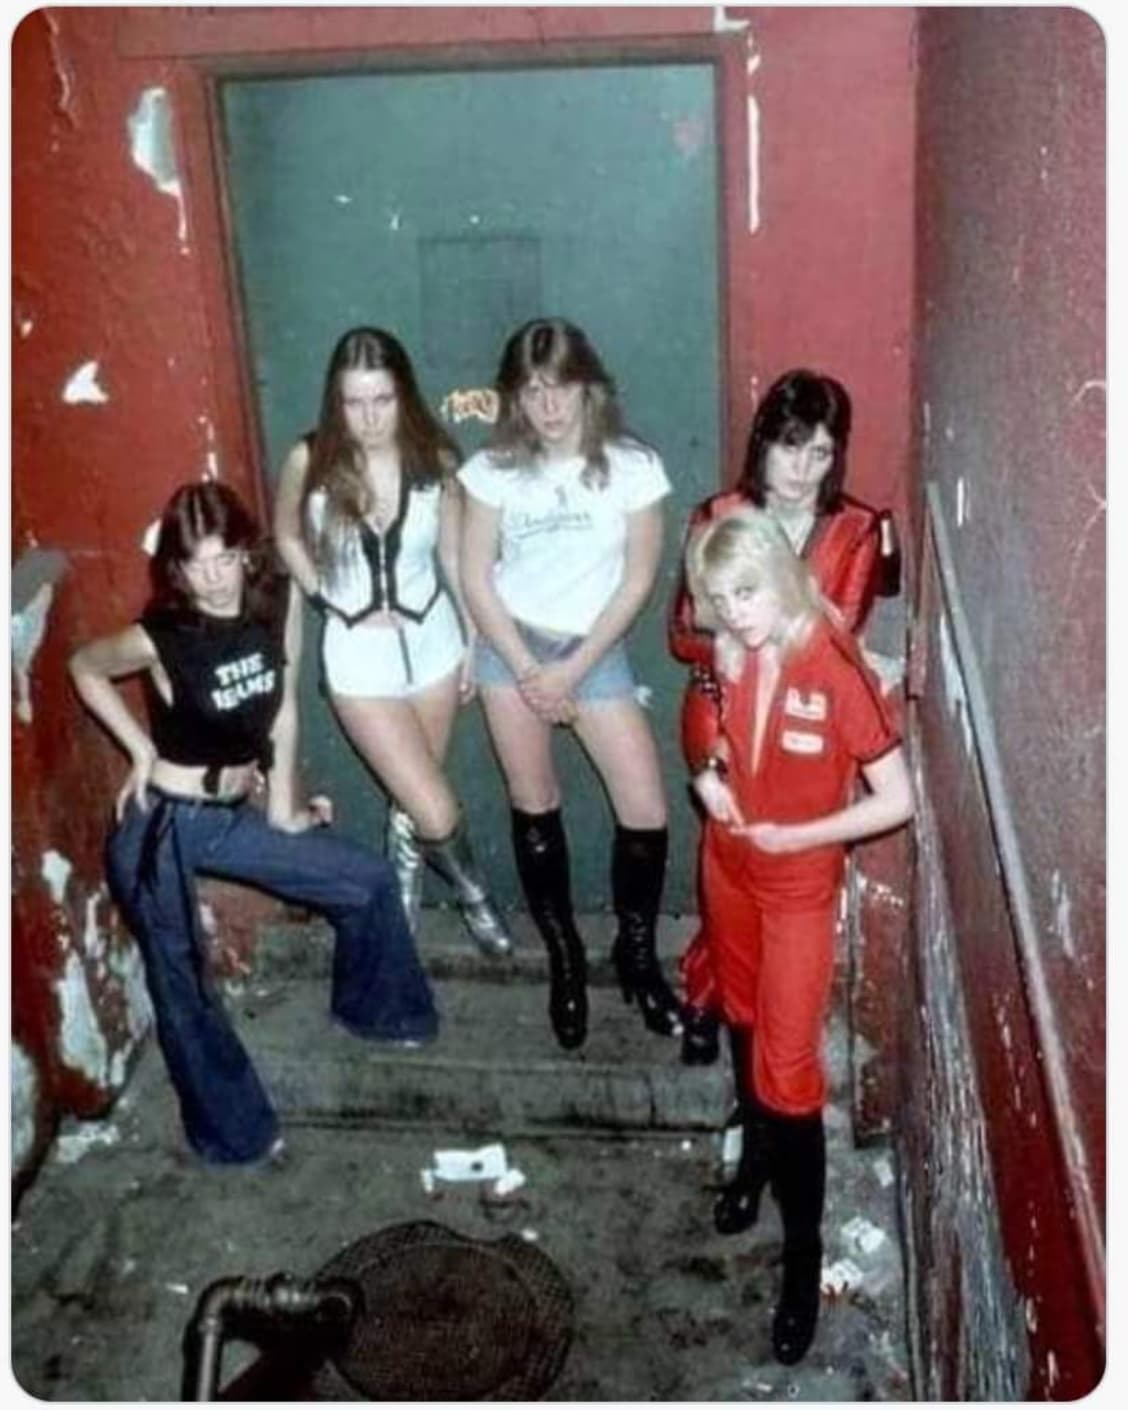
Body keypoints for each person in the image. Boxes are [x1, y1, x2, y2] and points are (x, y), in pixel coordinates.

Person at [69, 482, 438, 1167]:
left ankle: (374, 1010)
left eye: (223, 557)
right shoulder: (164, 636)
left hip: (230, 814)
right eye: (194, 563)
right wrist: (141, 751)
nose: (211, 577)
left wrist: (284, 807)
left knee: (365, 881)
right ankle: (231, 1135)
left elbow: (286, 707)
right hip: (162, 829)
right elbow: (85, 666)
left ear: (246, 553)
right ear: (176, 569)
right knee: (185, 989)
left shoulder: (276, 605)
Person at [683, 507, 914, 1364]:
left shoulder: (833, 659)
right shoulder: (730, 648)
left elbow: (898, 799)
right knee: (740, 1016)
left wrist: (805, 836)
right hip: (728, 862)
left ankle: (803, 1253)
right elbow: (710, 732)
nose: (736, 611)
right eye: (720, 596)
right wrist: (709, 779)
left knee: (790, 1073)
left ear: (780, 574)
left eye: (748, 590)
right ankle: (751, 1161)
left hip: (795, 882)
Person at [458, 317, 681, 1051]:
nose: (548, 406)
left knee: (645, 809)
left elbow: (640, 578)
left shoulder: (634, 465)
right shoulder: (492, 470)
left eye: (561, 388)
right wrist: (525, 668)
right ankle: (565, 960)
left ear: (590, 389)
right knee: (535, 802)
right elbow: (475, 575)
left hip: (594, 651)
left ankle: (637, 956)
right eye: (532, 391)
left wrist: (572, 670)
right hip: (511, 647)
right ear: (515, 400)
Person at [669, 368, 895, 1065]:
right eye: (791, 447)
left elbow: (847, 631)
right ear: (763, 442)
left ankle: (757, 1018)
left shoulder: (857, 527)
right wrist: (746, 637)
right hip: (725, 699)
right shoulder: (719, 514)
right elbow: (684, 632)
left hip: (810, 719)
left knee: (782, 860)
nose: (802, 470)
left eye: (821, 453)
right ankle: (710, 990)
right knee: (731, 851)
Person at [273, 327, 512, 955]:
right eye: (354, 403)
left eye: (382, 399)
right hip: (357, 658)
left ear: (403, 394)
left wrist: (469, 637)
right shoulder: (311, 459)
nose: (369, 418)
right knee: (431, 805)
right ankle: (474, 896)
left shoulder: (436, 458)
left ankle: (403, 889)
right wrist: (326, 597)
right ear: (336, 402)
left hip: (432, 643)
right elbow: (287, 537)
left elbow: (457, 558)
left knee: (413, 796)